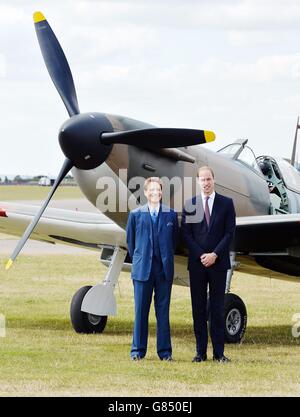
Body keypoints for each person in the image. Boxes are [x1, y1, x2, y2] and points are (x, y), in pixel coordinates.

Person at [181, 166, 236, 363]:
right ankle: (200, 353)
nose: (206, 183)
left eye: (208, 179)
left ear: (214, 180)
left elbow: (229, 233)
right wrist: (202, 255)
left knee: (217, 308)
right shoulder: (190, 204)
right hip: (197, 265)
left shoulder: (226, 204)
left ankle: (219, 353)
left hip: (218, 263)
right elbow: (186, 234)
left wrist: (214, 254)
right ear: (198, 182)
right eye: (202, 180)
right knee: (198, 309)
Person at [126, 177, 179, 361]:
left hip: (163, 271)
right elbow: (131, 244)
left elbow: (173, 242)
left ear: (161, 192)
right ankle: (137, 352)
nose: (155, 193)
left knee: (163, 312)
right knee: (141, 311)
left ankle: (165, 353)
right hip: (143, 271)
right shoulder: (135, 215)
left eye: (158, 190)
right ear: (146, 192)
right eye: (152, 190)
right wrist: (142, 260)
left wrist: (164, 259)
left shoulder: (171, 215)